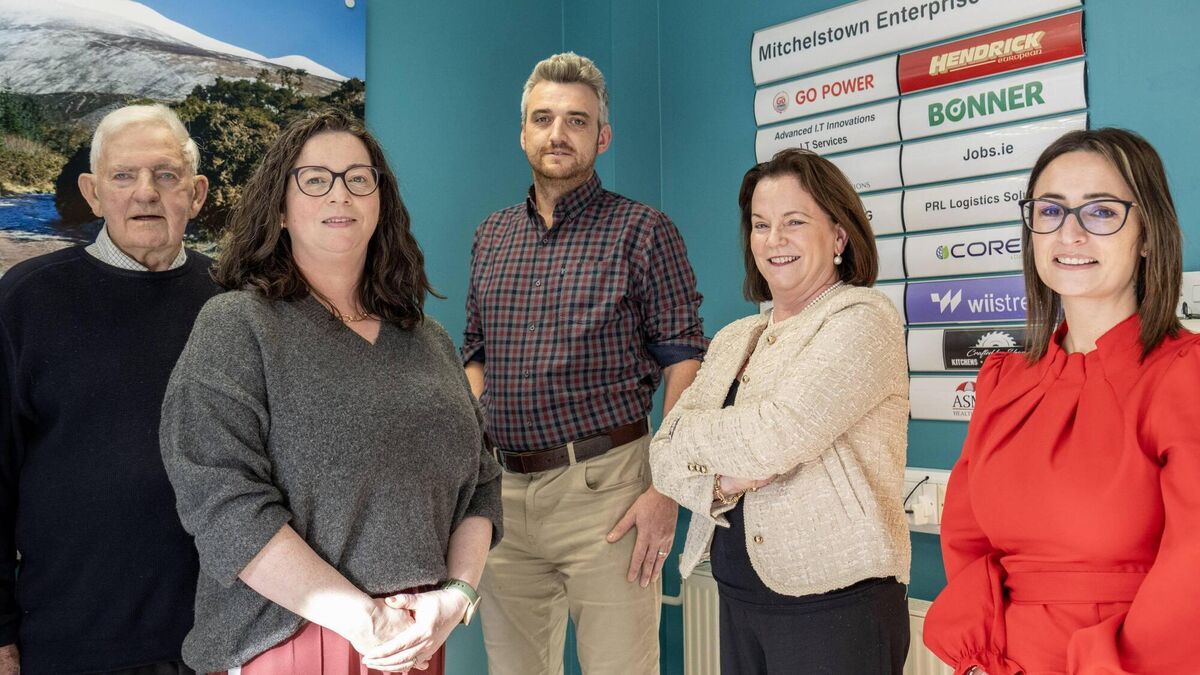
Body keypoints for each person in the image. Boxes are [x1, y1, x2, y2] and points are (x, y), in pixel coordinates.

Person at [158, 109, 502, 675]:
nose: (339, 193)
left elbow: (481, 486)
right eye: (315, 179)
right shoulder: (237, 326)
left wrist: (457, 596)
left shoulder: (429, 340)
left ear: (380, 202)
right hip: (288, 640)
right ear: (280, 208)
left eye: (358, 178)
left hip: (417, 639)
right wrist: (363, 620)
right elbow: (221, 501)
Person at [463, 52, 707, 675]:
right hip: (504, 495)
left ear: (602, 137)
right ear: (523, 133)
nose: (558, 133)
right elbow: (475, 352)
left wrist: (666, 488)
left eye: (577, 121)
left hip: (609, 491)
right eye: (543, 118)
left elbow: (685, 360)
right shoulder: (491, 236)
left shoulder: (643, 230)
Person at [924, 128, 1200, 674]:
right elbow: (967, 541)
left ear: (1148, 235)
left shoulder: (1184, 375)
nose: (1069, 233)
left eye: (1101, 212)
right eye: (1050, 211)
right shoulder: (1003, 381)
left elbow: (1192, 569)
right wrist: (979, 660)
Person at [650, 148, 911, 674]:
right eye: (761, 224)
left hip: (836, 605)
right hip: (740, 595)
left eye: (795, 222)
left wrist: (691, 435)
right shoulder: (736, 337)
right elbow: (663, 454)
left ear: (839, 237)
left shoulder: (863, 318)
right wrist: (726, 481)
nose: (774, 240)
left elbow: (777, 435)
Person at [0, 104, 215, 674]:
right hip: (71, 641)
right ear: (93, 194)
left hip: (220, 641)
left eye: (165, 175)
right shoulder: (25, 299)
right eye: (123, 175)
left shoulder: (235, 302)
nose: (145, 192)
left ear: (195, 194)